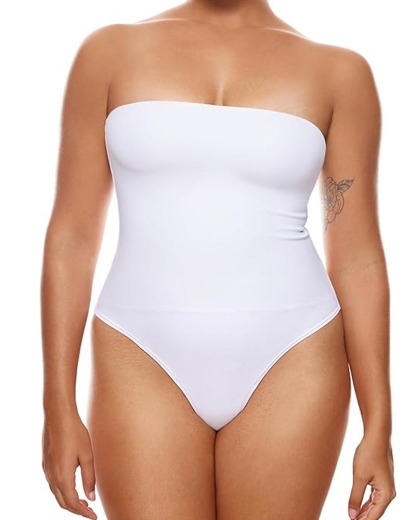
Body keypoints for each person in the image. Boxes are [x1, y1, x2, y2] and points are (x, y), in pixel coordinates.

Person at [40, 1, 396, 519]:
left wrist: (379, 424)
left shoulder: (340, 72)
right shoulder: (109, 54)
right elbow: (71, 239)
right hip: (141, 356)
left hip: (292, 356)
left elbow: (357, 257)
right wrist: (56, 405)